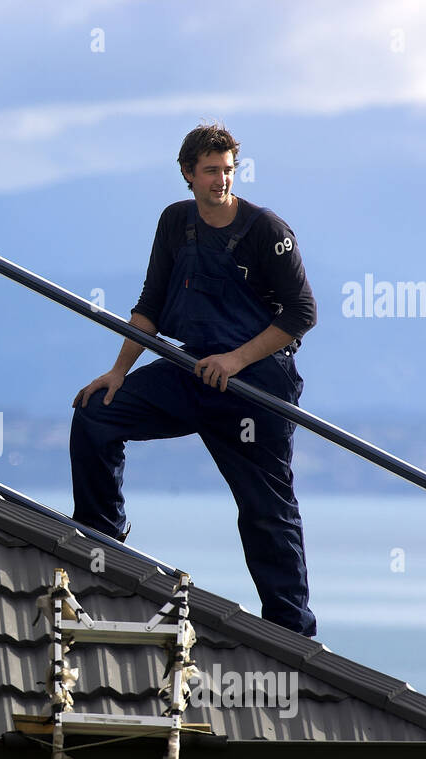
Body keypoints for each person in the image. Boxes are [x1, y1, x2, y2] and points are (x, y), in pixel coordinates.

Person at [70, 123, 317, 637]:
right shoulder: (174, 222)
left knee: (265, 510)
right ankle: (103, 546)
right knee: (96, 414)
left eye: (228, 170)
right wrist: (119, 371)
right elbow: (150, 305)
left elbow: (301, 314)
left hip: (256, 390)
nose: (221, 180)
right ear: (187, 173)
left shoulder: (267, 231)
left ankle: (292, 632)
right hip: (190, 371)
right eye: (210, 171)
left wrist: (235, 360)